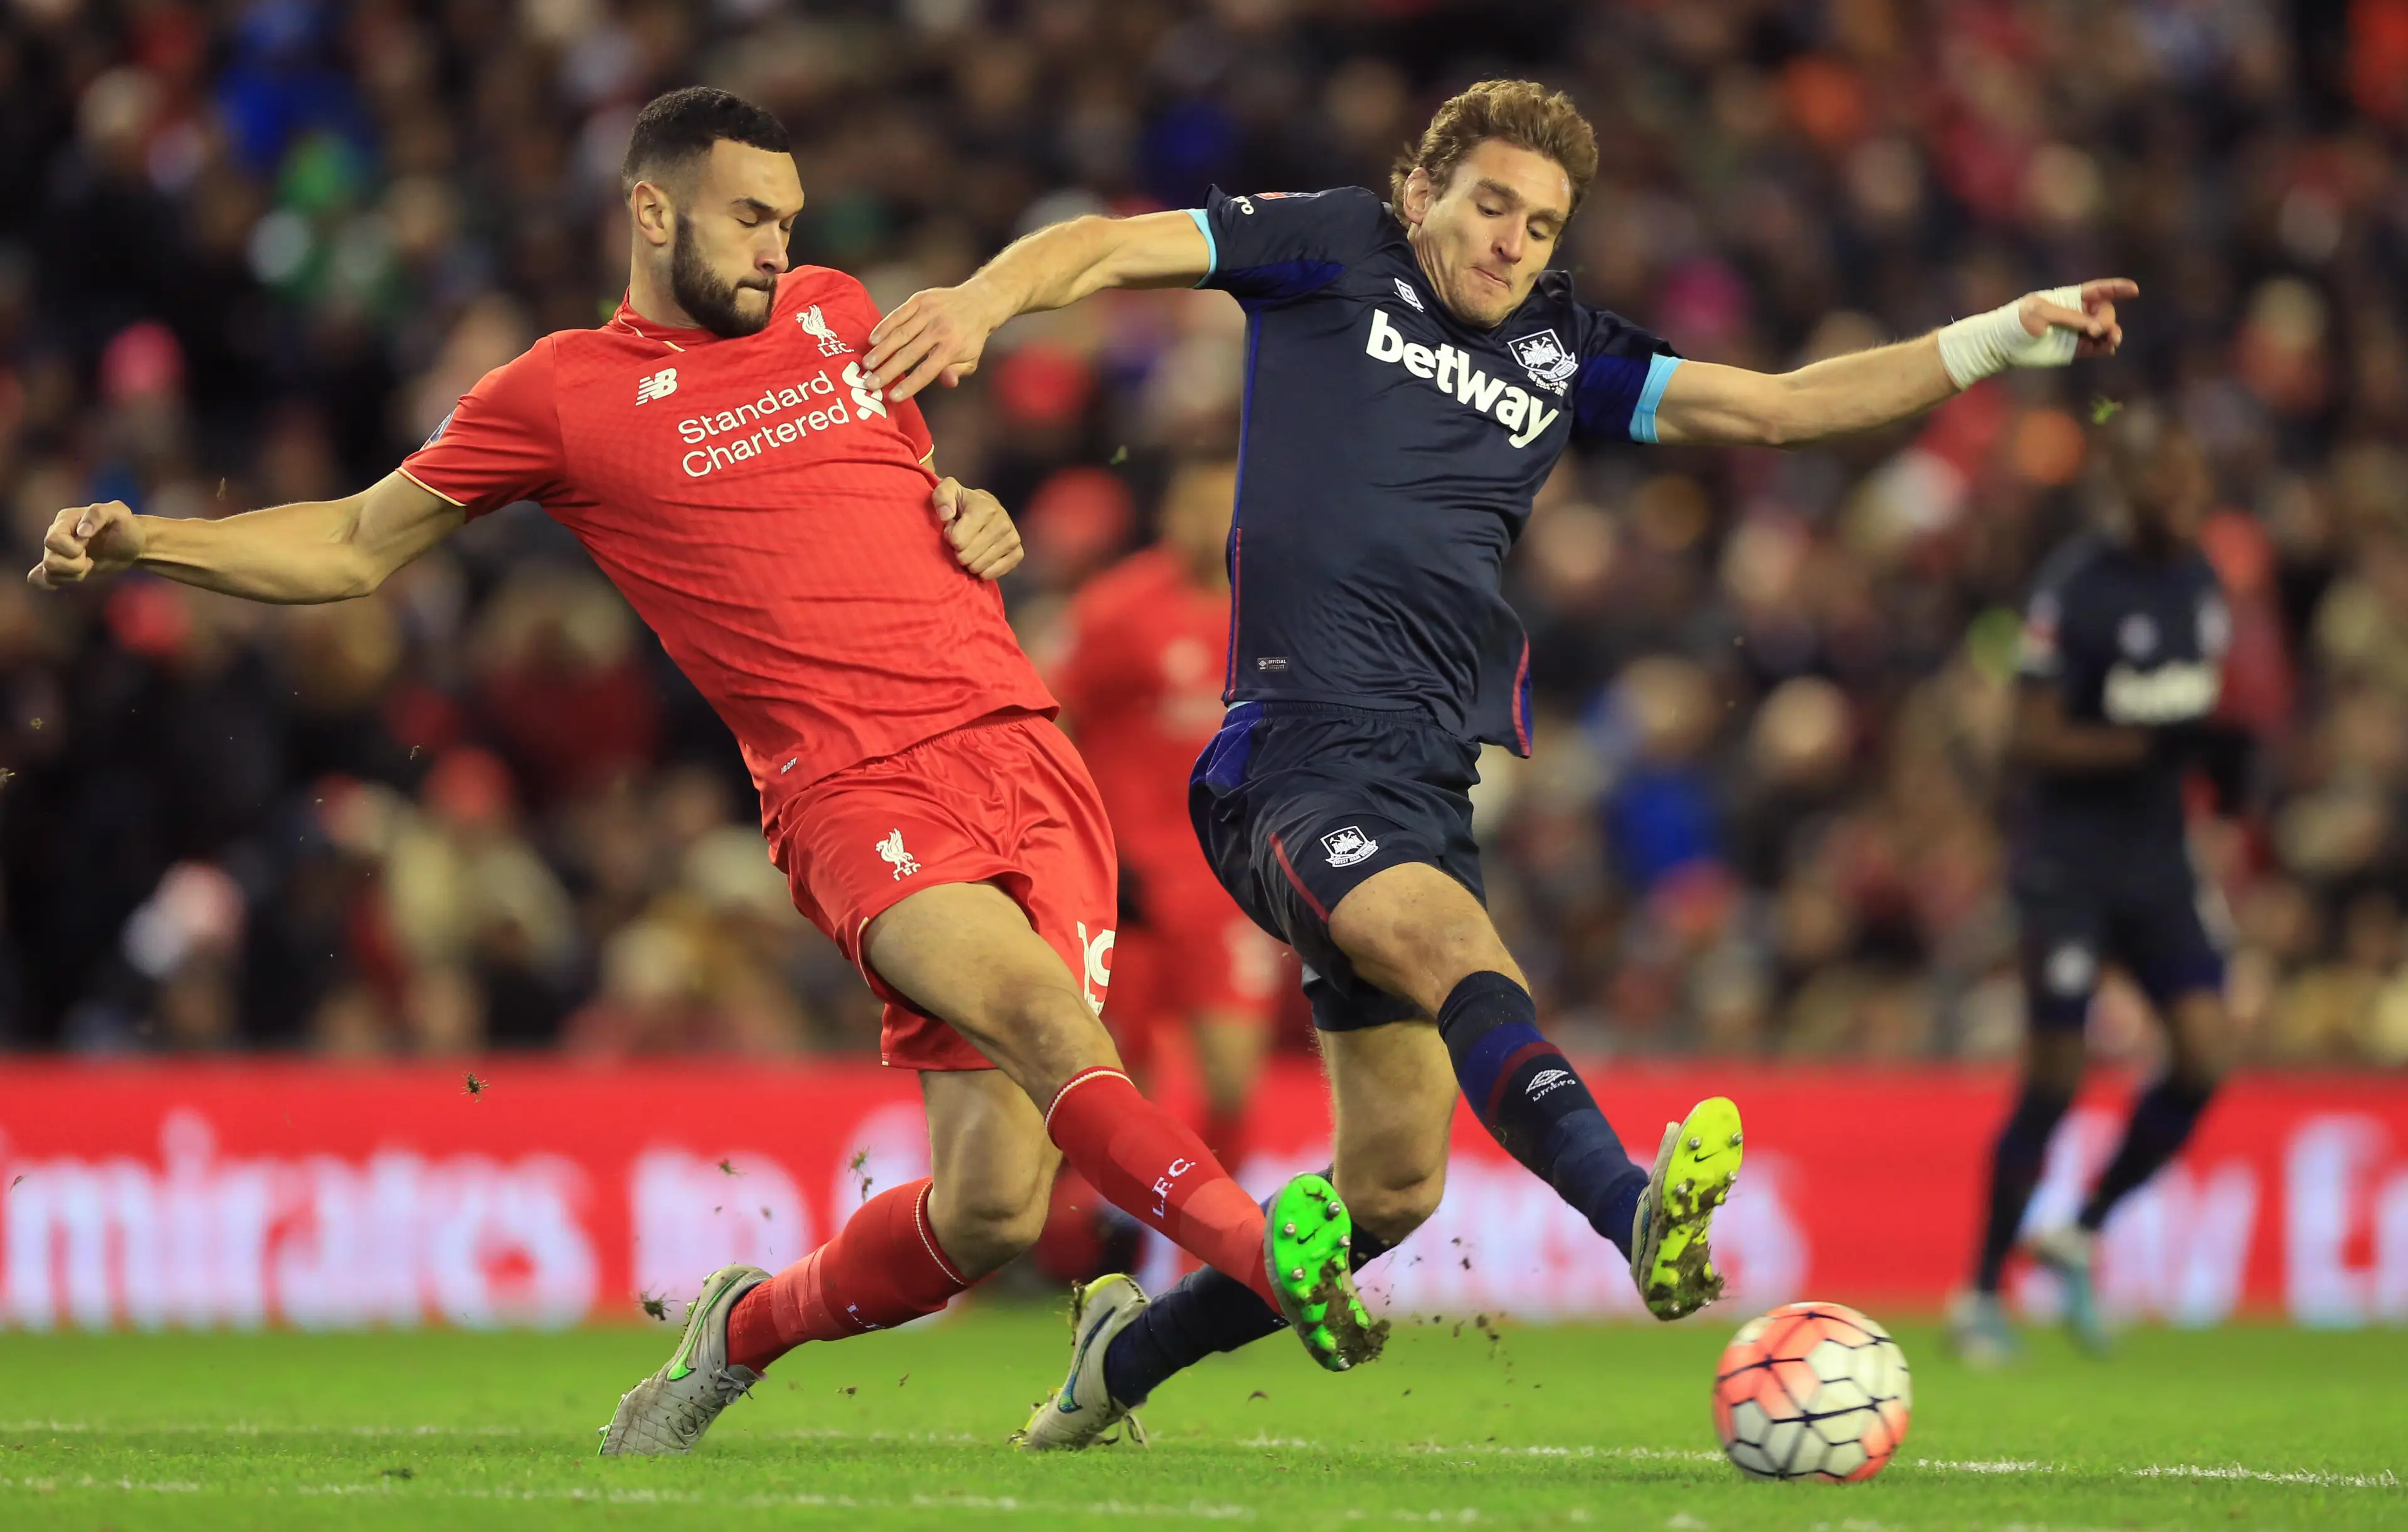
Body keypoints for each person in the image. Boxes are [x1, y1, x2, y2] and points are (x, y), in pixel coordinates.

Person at [27, 85, 1376, 1457]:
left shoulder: (839, 313)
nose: (777, 247)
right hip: (860, 790)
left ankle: (737, 1329)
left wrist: (972, 512)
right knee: (1044, 1017)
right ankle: (1260, 1253)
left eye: (788, 220)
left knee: (990, 1211)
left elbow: (904, 495)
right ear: (652, 208)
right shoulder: (558, 394)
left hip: (1026, 753)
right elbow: (352, 547)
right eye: (748, 216)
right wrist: (154, 543)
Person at [864, 78, 2133, 1446]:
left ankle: (1124, 1353)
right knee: (1469, 957)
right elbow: (1109, 247)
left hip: (1423, 783)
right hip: (1290, 752)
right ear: (1423, 194)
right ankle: (1632, 1206)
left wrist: (2002, 335)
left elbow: (1776, 409)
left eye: (1540, 225)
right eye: (1491, 205)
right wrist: (989, 299)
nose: (1513, 242)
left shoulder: (1563, 351)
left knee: (1393, 1187)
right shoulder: (1334, 245)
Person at [1950, 406, 2238, 1365]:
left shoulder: (2202, 580)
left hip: (2160, 859)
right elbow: (2025, 738)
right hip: (2069, 859)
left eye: (2198, 481)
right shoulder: (2077, 585)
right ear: (2133, 483)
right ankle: (1983, 1292)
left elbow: (2201, 713)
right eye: (2174, 480)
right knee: (2056, 1077)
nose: (2192, 496)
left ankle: (2084, 1225)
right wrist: (2142, 745)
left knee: (2204, 1054)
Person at [1052, 454, 1290, 1181]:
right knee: (1117, 1080)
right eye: (1198, 507)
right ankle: (1090, 1243)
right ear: (1168, 515)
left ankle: (1214, 1264)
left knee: (1230, 1081)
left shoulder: (1280, 613)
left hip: (1229, 880)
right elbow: (1059, 724)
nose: (1215, 525)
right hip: (1129, 884)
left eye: (1230, 506)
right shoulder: (1116, 609)